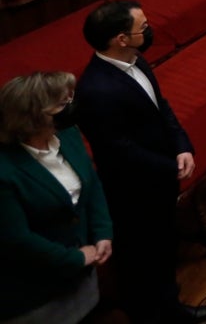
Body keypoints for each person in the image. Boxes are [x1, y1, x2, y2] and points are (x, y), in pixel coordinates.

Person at [75, 0, 206, 324]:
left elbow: (161, 107)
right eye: (143, 27)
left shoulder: (137, 60)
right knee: (143, 259)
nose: (149, 30)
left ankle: (172, 308)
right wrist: (169, 167)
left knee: (163, 249)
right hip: (133, 191)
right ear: (120, 39)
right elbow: (119, 151)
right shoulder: (95, 89)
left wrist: (182, 146)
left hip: (159, 177)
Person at [0, 72, 112, 324]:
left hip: (82, 272)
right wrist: (75, 258)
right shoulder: (5, 168)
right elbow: (15, 239)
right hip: (34, 292)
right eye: (62, 104)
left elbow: (91, 184)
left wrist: (103, 232)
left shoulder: (68, 134)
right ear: (33, 115)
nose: (70, 108)